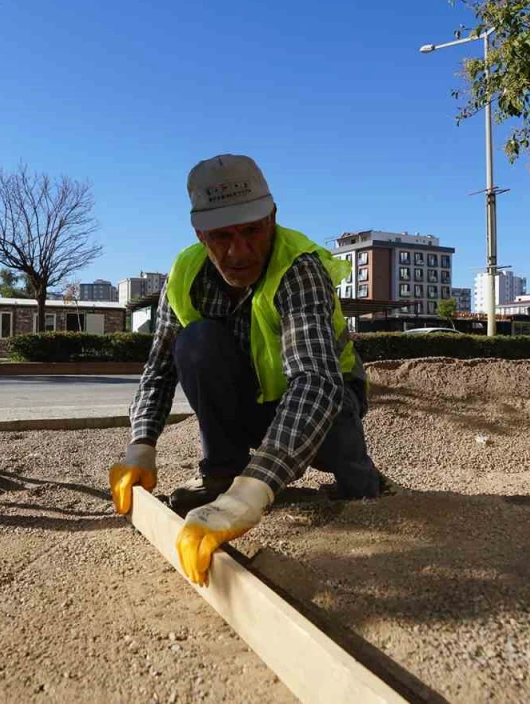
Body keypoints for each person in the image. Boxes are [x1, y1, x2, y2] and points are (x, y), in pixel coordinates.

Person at [108, 154, 387, 587]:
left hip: (324, 402)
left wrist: (255, 490)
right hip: (249, 396)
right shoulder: (185, 274)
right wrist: (140, 444)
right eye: (221, 236)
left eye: (252, 231)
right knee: (196, 342)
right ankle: (222, 477)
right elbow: (161, 368)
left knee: (345, 464)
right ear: (199, 233)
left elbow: (316, 382)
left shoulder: (299, 268)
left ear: (272, 218)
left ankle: (361, 477)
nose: (239, 251)